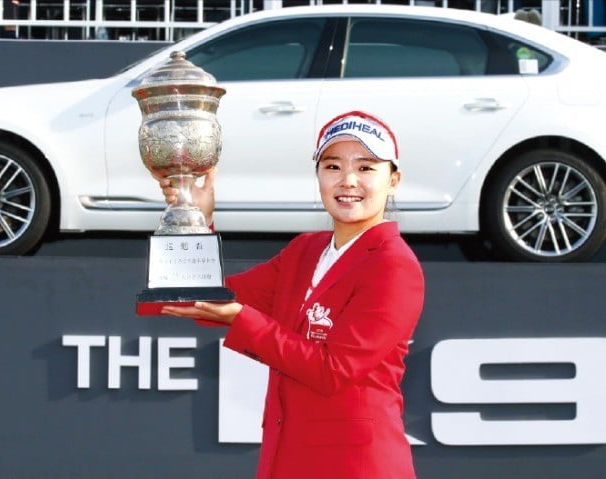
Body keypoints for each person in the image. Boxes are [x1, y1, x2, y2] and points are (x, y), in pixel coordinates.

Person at [159, 111, 425, 479]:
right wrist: (194, 220)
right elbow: (200, 300)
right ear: (318, 176)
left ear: (393, 180)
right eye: (332, 166)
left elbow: (333, 371)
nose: (347, 180)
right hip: (288, 459)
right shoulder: (305, 250)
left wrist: (240, 319)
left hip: (358, 466)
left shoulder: (394, 265)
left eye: (366, 168)